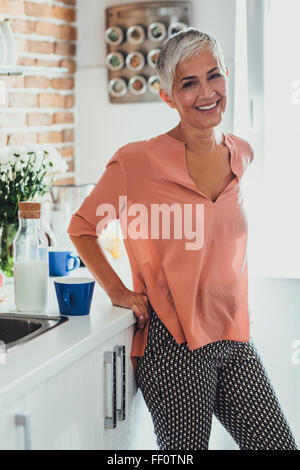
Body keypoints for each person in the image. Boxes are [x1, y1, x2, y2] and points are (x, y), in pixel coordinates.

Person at [67, 28, 297, 450]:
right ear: (168, 96)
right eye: (189, 83)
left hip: (234, 338)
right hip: (175, 349)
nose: (206, 92)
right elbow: (82, 228)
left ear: (227, 76)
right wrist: (117, 291)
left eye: (214, 76)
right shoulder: (136, 162)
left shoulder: (241, 153)